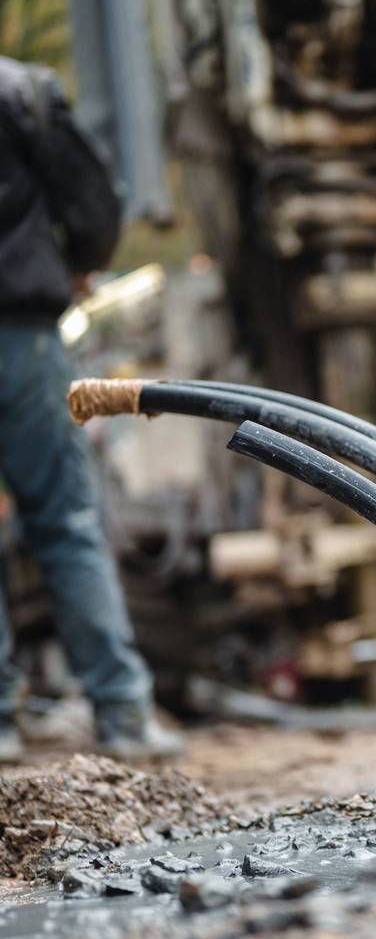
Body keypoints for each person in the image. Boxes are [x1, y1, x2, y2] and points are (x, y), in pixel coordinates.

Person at [0, 55, 182, 761]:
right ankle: (123, 715)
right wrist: (80, 260)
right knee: (67, 521)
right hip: (23, 333)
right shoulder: (24, 93)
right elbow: (93, 202)